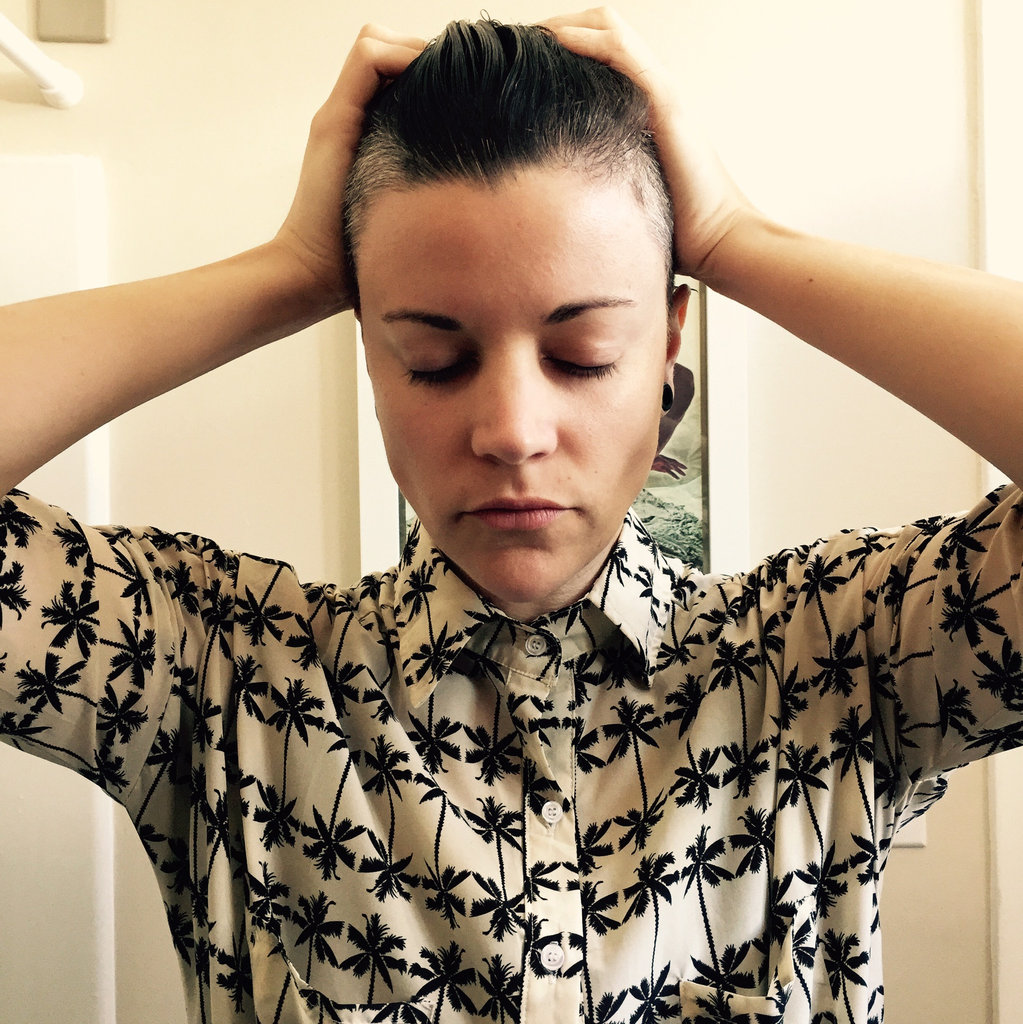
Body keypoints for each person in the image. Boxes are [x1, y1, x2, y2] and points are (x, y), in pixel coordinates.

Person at [1, 8, 1022, 1023]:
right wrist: (288, 273)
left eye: (582, 356)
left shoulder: (838, 656)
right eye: (433, 359)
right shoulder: (222, 673)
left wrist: (735, 241)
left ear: (669, 342)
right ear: (370, 354)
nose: (512, 431)